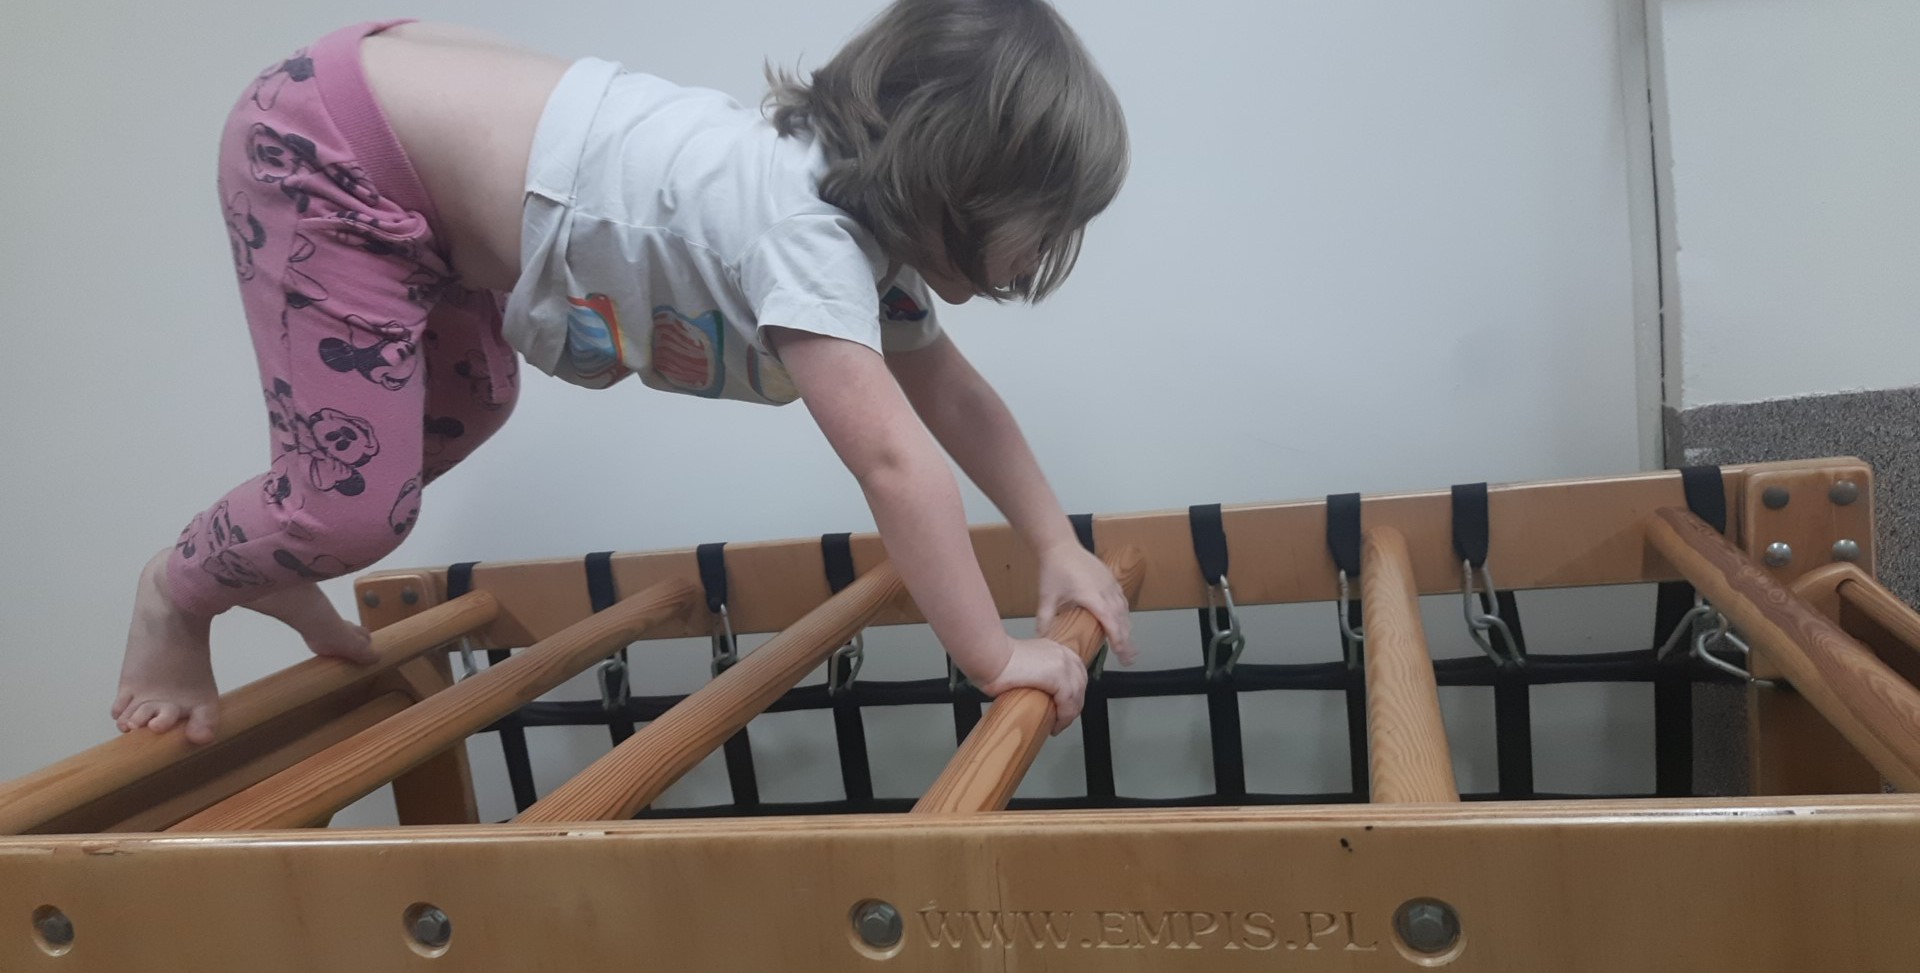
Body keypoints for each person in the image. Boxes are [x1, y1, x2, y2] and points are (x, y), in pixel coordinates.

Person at [116, 0, 1135, 747]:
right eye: (1049, 223)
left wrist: (1054, 541)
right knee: (351, 506)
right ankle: (178, 593)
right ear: (957, 174)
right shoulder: (806, 234)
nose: (1050, 253)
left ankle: (283, 550)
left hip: (412, 146)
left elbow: (954, 394)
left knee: (473, 401)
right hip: (332, 144)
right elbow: (895, 463)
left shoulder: (859, 237)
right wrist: (993, 657)